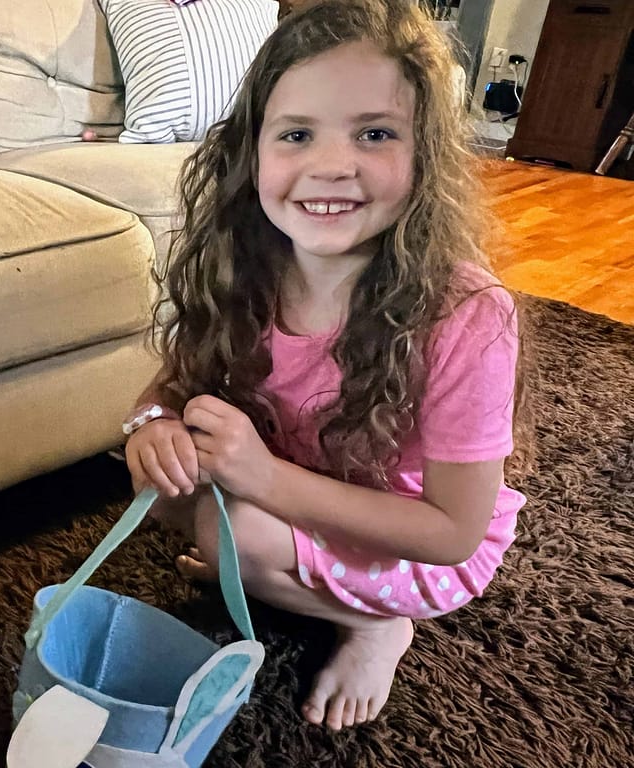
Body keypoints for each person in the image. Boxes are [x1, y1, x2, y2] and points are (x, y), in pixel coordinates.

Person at [122, 0, 529, 732]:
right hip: (292, 493)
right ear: (251, 153)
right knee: (166, 487)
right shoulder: (244, 270)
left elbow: (452, 534)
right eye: (297, 134)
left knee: (235, 534)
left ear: (425, 155)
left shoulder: (468, 315)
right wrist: (153, 428)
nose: (332, 165)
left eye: (375, 133)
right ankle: (276, 568)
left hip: (407, 540)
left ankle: (375, 626)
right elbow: (171, 389)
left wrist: (264, 480)